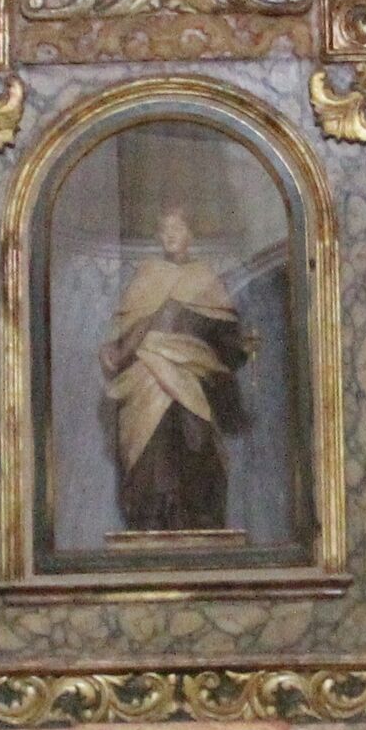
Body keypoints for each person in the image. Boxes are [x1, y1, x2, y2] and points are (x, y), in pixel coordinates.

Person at [100, 209, 250, 532]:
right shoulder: (147, 275)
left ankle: (198, 513)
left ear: (190, 235)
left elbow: (225, 335)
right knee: (151, 440)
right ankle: (151, 514)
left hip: (191, 370)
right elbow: (128, 330)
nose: (169, 235)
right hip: (146, 372)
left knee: (195, 436)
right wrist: (115, 352)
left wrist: (237, 346)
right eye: (164, 229)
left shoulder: (205, 278)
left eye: (177, 228)